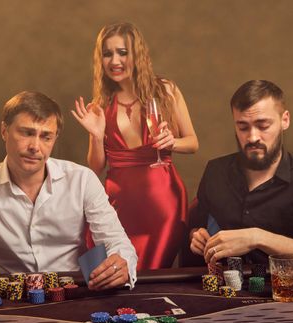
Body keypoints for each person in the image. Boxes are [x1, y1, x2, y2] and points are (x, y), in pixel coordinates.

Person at [0, 91, 138, 295]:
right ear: (4, 131)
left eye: (46, 137)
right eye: (27, 133)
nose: (35, 146)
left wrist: (122, 262)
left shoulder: (83, 179)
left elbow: (118, 242)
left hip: (74, 292)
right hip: (10, 300)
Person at [189, 80, 293, 279]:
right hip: (224, 295)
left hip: (291, 298)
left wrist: (257, 238)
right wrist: (196, 236)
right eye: (243, 127)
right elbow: (197, 227)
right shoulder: (216, 171)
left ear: (285, 120)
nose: (252, 137)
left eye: (263, 125)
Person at [72, 22, 199, 270]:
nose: (114, 60)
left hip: (162, 203)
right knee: (112, 272)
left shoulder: (165, 91)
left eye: (122, 52)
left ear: (136, 54)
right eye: (107, 54)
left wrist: (172, 142)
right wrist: (97, 136)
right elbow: (96, 166)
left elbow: (193, 142)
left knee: (146, 278)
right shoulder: (101, 104)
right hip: (117, 206)